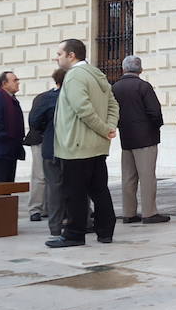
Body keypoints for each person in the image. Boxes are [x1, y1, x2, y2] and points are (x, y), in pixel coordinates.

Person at [45, 39, 119, 248]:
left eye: (59, 53)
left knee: (74, 193)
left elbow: (83, 109)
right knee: (99, 190)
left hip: (76, 146)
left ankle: (74, 235)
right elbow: (113, 104)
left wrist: (106, 129)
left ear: (71, 55)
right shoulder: (96, 74)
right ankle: (105, 231)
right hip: (96, 146)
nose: (56, 57)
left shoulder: (75, 76)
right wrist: (109, 127)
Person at [113, 55, 169, 224]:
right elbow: (155, 112)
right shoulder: (143, 86)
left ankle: (129, 213)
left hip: (126, 137)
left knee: (128, 177)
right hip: (145, 137)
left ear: (123, 69)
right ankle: (149, 212)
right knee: (147, 177)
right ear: (140, 69)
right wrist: (156, 127)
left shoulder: (115, 87)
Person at [29, 69, 67, 237]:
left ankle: (55, 226)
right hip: (70, 148)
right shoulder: (74, 97)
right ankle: (79, 221)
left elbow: (35, 121)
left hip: (50, 146)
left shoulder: (44, 98)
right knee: (75, 185)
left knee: (54, 187)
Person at [0, 72, 25, 183]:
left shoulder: (12, 99)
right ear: (4, 83)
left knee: (7, 189)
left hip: (10, 152)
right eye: (15, 80)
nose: (18, 82)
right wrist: (6, 139)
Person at [25, 89, 49, 222]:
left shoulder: (42, 97)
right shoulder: (44, 98)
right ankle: (35, 209)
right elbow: (34, 121)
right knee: (39, 176)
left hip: (49, 140)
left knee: (46, 176)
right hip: (40, 139)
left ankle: (43, 208)